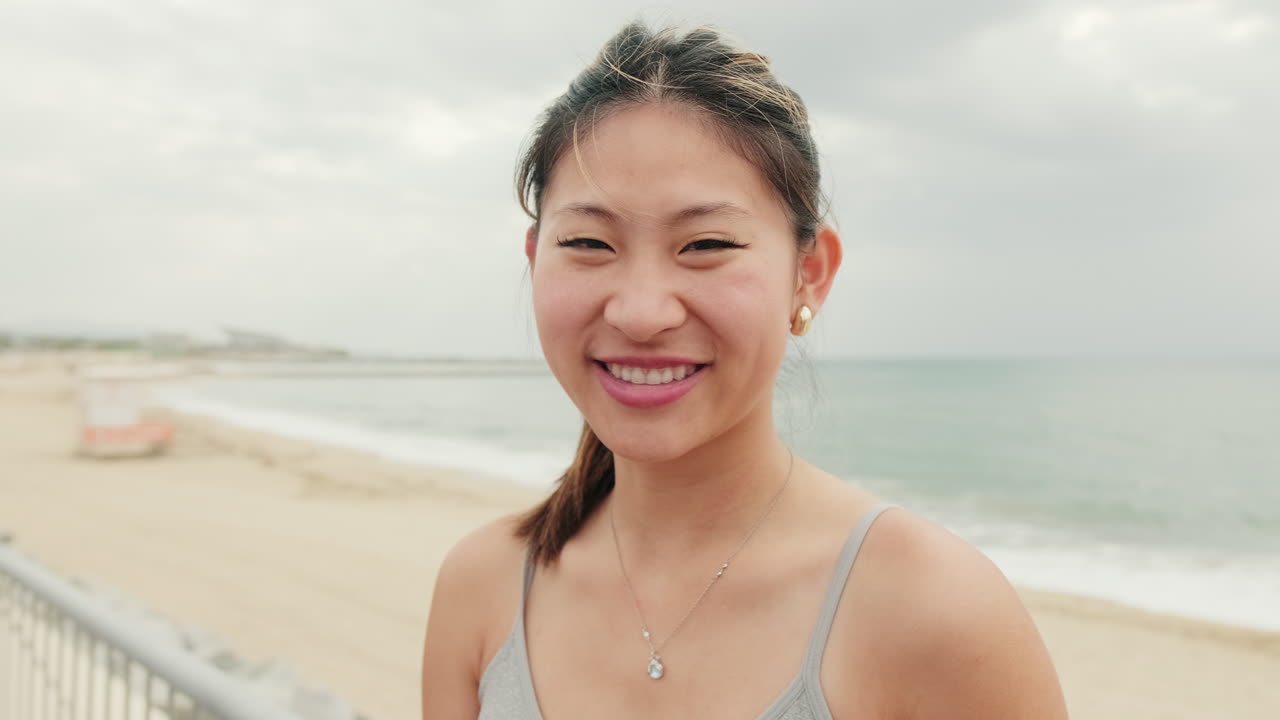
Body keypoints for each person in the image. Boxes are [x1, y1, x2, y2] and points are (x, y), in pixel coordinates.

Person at [421, 22, 1068, 720]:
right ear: (534, 255)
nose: (642, 312)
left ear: (808, 275)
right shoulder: (483, 587)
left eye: (705, 244)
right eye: (587, 242)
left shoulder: (932, 610)